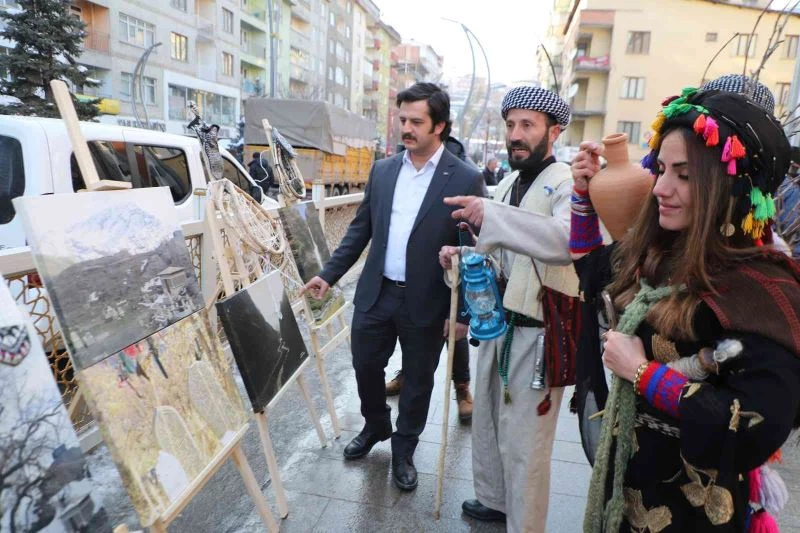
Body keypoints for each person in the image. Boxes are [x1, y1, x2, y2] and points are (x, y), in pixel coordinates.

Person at [572, 87, 800, 532]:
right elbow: (593, 270)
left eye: (683, 175)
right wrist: (584, 197)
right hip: (627, 490)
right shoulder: (661, 255)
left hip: (696, 512)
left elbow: (759, 423)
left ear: (729, 186)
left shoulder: (761, 289)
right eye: (660, 170)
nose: (660, 188)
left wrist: (643, 375)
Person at [303, 82, 484, 491]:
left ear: (439, 125)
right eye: (402, 119)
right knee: (365, 365)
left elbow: (475, 252)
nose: (406, 128)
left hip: (429, 300)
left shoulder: (466, 178)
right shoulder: (383, 171)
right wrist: (327, 275)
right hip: (376, 292)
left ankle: (404, 450)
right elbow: (360, 229)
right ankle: (376, 426)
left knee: (419, 380)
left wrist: (464, 316)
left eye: (416, 121)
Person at [439, 85, 577, 531]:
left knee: (526, 443)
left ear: (553, 131)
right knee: (491, 424)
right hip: (497, 323)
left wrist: (490, 216)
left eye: (527, 126)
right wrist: (463, 257)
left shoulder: (568, 183)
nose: (515, 135)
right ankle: (495, 501)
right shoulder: (511, 184)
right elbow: (503, 255)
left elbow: (564, 242)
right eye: (511, 125)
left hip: (539, 330)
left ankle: (525, 524)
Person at [386, 134, 479, 424]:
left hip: (452, 276)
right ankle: (406, 374)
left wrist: (464, 305)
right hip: (417, 279)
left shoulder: (461, 172)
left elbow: (473, 239)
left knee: (454, 335)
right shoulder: (406, 171)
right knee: (414, 338)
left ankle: (462, 388)